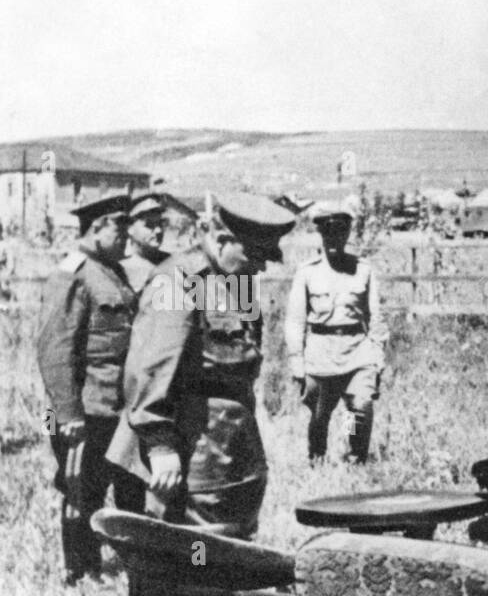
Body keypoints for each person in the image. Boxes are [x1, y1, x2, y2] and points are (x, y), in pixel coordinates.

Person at [106, 193, 295, 538]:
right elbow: (151, 366)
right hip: (185, 445)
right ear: (222, 241)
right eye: (255, 255)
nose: (262, 267)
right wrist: (161, 446)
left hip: (228, 444)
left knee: (226, 543)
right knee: (185, 550)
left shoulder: (239, 282)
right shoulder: (177, 281)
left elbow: (244, 360)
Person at [35, 194, 145, 582]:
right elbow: (54, 349)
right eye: (120, 229)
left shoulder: (112, 271)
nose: (126, 238)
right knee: (81, 491)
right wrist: (67, 413)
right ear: (97, 227)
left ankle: (130, 566)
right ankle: (80, 572)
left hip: (117, 406)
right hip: (86, 409)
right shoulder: (73, 273)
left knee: (124, 488)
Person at [284, 204, 388, 463]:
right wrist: (297, 361)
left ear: (347, 234)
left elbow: (376, 316)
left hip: (357, 351)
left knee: (358, 408)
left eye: (339, 233)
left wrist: (377, 354)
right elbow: (295, 320)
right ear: (321, 235)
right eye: (327, 233)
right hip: (320, 354)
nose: (333, 239)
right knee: (320, 415)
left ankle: (353, 458)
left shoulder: (363, 269)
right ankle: (317, 459)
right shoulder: (308, 272)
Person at [119, 193, 171, 294]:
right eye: (149, 225)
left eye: (160, 224)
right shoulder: (121, 268)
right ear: (130, 228)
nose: (158, 230)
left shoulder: (172, 261)